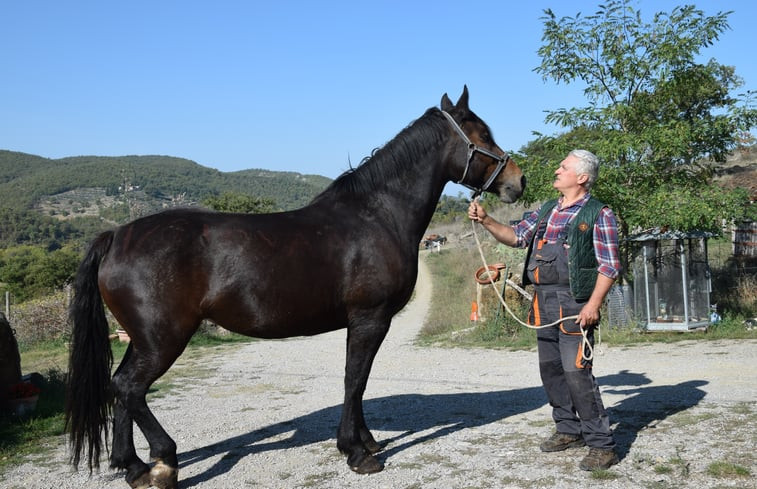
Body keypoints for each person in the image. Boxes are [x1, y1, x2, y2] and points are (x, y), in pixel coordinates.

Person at [468, 149, 621, 471]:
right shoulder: (547, 210)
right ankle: (568, 429)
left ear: (581, 177)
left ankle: (601, 445)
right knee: (550, 371)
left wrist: (593, 305)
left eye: (563, 167)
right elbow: (516, 237)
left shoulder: (599, 214)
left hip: (574, 304)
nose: (557, 170)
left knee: (577, 373)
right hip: (542, 301)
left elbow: (609, 266)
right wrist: (485, 220)